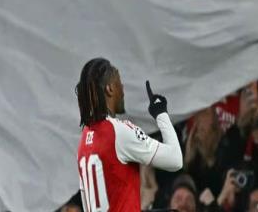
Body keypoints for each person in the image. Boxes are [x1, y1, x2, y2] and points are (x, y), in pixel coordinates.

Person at [75, 58, 182, 212]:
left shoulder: (85, 138)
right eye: (119, 82)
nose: (123, 89)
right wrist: (161, 114)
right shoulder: (119, 131)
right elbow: (175, 160)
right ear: (110, 89)